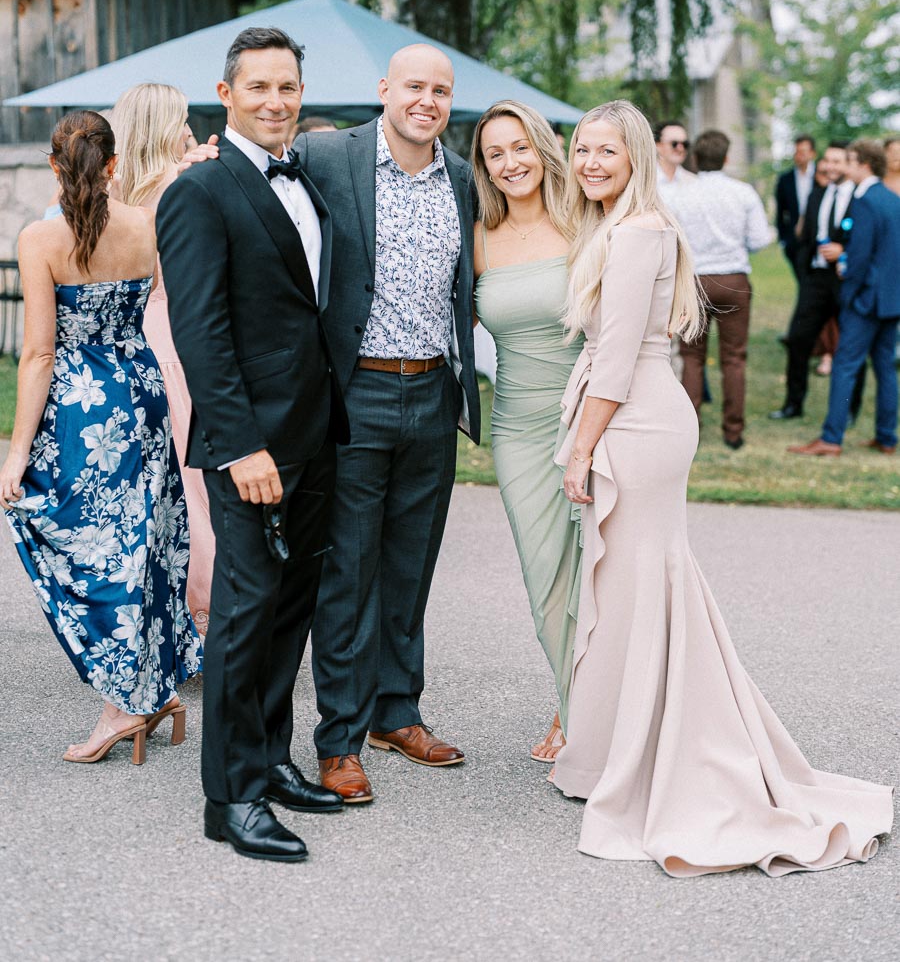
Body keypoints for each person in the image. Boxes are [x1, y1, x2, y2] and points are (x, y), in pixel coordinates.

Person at [548, 100, 893, 875]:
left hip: (636, 423)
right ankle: (614, 754)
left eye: (607, 150)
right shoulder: (616, 228)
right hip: (637, 413)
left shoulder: (638, 234)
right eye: (582, 150)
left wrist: (582, 449)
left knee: (642, 588)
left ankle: (664, 761)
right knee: (633, 591)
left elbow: (614, 360)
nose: (592, 162)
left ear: (638, 156)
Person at [156, 26, 349, 862]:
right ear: (226, 94)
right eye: (260, 87)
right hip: (251, 446)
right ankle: (229, 798)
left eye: (289, 87)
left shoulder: (306, 174)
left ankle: (269, 761)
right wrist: (238, 445)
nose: (277, 101)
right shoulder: (198, 192)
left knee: (290, 608)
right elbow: (201, 333)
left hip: (316, 433)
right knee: (242, 615)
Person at [295, 43, 480, 804]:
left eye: (440, 90)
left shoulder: (463, 178)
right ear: (385, 89)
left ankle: (396, 713)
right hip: (355, 393)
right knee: (348, 569)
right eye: (414, 86)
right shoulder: (328, 156)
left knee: (410, 564)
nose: (426, 100)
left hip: (434, 392)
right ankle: (338, 737)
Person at [0, 111, 200, 765]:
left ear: (55, 167)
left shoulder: (39, 239)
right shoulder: (146, 225)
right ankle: (154, 687)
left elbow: (37, 355)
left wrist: (17, 451)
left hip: (79, 411)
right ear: (113, 166)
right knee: (142, 542)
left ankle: (123, 705)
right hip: (141, 393)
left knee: (90, 552)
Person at [471, 101, 582, 764]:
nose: (511, 163)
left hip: (591, 421)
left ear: (542, 148)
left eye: (520, 148)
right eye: (495, 154)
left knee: (600, 574)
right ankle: (575, 699)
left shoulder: (587, 224)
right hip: (516, 429)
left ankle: (586, 710)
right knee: (548, 576)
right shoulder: (480, 237)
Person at [111, 84, 216, 635]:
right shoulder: (182, 185)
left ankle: (165, 619)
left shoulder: (116, 194)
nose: (191, 130)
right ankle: (208, 615)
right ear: (162, 127)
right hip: (177, 344)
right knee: (192, 486)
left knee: (156, 489)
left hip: (135, 346)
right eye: (182, 120)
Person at [790, 139, 900, 458]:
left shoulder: (865, 200)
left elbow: (861, 256)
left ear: (864, 164)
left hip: (866, 300)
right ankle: (886, 436)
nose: (843, 167)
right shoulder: (891, 199)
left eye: (849, 161)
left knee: (844, 365)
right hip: (891, 299)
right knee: (884, 369)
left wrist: (849, 290)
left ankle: (831, 438)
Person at [665, 130, 771, 449]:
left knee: (692, 357)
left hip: (695, 281)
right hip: (734, 280)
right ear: (726, 158)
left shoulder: (678, 195)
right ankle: (733, 431)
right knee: (734, 358)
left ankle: (689, 429)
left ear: (695, 158)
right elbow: (760, 239)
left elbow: (671, 241)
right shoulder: (743, 193)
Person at [769, 142, 856, 421]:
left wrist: (845, 252)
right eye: (827, 160)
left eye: (837, 161)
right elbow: (804, 237)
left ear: (849, 164)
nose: (830, 166)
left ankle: (850, 408)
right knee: (798, 339)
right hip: (815, 280)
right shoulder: (817, 195)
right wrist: (804, 270)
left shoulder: (859, 198)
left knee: (849, 345)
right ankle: (793, 405)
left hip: (845, 280)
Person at [775, 134, 817, 279]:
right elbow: (780, 212)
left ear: (812, 153)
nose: (799, 156)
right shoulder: (785, 179)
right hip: (794, 240)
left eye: (803, 152)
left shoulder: (821, 176)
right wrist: (784, 239)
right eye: (797, 152)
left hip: (817, 237)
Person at [654, 119, 695, 190]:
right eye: (674, 144)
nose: (680, 148)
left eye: (685, 144)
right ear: (658, 145)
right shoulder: (645, 180)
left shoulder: (693, 182)